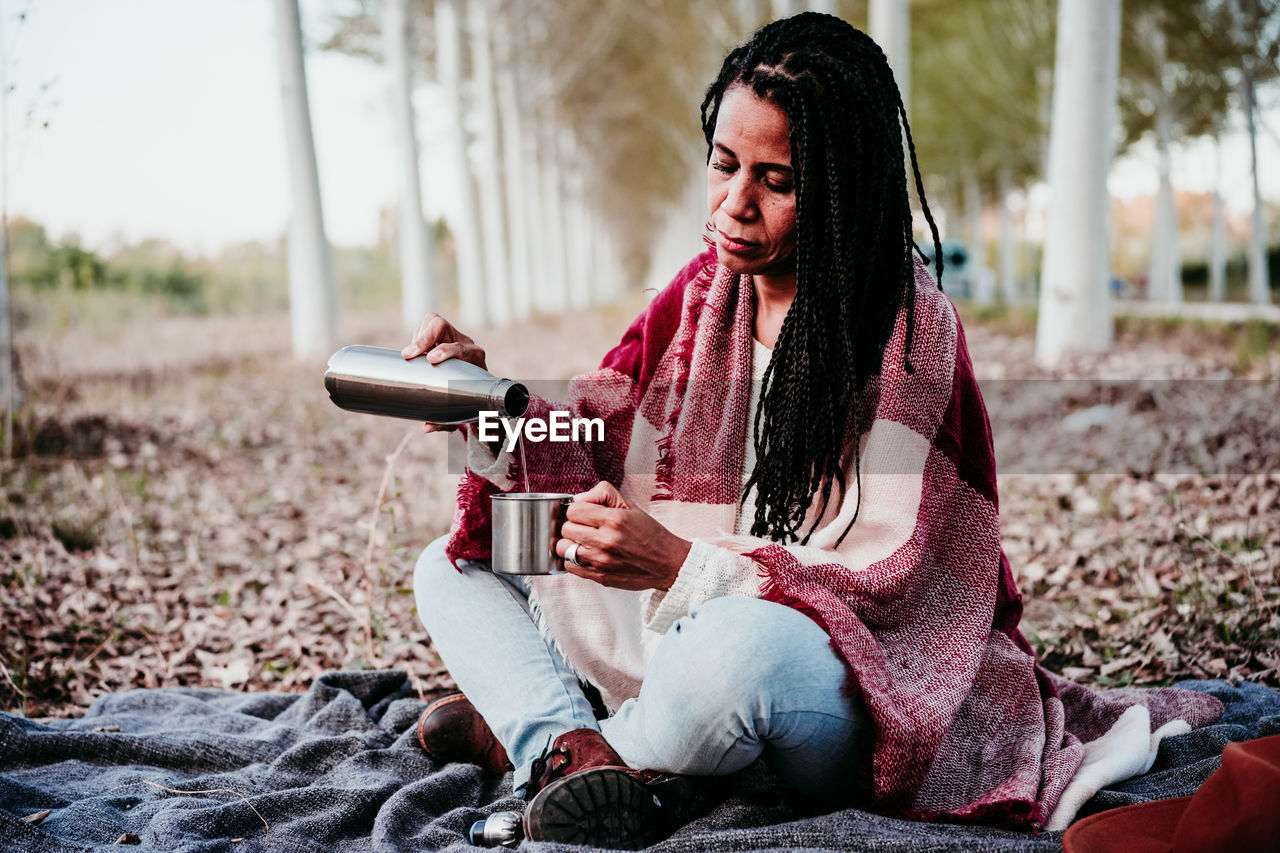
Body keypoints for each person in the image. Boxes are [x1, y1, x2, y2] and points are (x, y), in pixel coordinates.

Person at [404, 12, 1222, 850]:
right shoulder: (701, 296)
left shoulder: (908, 333)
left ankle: (545, 734)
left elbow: (894, 583)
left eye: (776, 180)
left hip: (832, 673)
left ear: (840, 191)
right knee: (458, 561)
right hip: (671, 624)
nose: (734, 204)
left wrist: (679, 563)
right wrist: (487, 403)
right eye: (724, 165)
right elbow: (591, 432)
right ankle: (565, 752)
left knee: (734, 656)